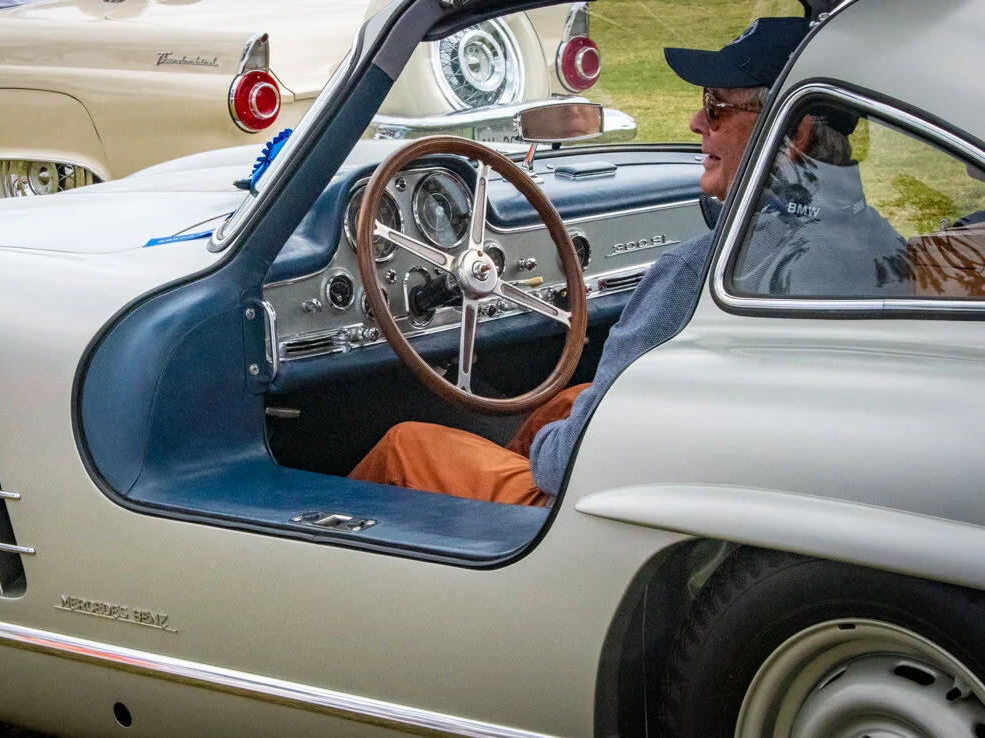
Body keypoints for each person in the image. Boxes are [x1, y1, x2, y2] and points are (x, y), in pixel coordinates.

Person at [351, 16, 855, 505]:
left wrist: (549, 448)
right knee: (573, 398)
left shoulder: (697, 275)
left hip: (607, 507)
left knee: (406, 445)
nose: (696, 122)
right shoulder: (873, 248)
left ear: (797, 135)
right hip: (725, 477)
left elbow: (562, 463)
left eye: (717, 108)